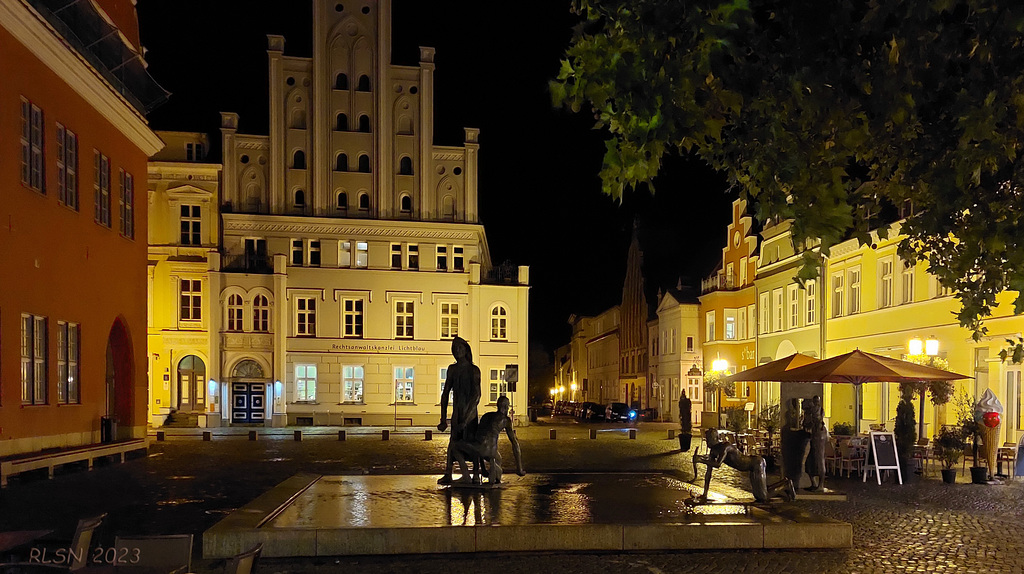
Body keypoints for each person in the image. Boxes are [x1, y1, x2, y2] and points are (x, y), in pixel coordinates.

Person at [693, 428, 795, 504]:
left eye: (709, 439)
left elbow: (717, 464)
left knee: (763, 497)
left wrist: (701, 460)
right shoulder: (714, 451)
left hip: (756, 463)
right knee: (759, 496)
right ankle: (784, 483)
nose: (707, 442)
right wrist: (705, 494)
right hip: (751, 467)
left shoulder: (725, 447)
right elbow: (708, 473)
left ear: (715, 438)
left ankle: (786, 485)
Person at [437, 336, 481, 484]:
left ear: (466, 350)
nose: (457, 351)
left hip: (470, 413)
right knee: (453, 443)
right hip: (457, 412)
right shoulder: (452, 369)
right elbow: (445, 393)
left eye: (460, 348)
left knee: (472, 442)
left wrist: (467, 417)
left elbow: (476, 395)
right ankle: (448, 473)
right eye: (455, 349)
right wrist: (443, 419)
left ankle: (475, 474)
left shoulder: (474, 370)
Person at [452, 395, 525, 484]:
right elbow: (514, 443)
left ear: (498, 405)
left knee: (455, 446)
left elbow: (478, 437)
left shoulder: (486, 416)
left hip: (480, 448)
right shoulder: (506, 420)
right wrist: (519, 468)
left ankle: (467, 475)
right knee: (497, 458)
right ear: (506, 407)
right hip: (492, 452)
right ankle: (494, 474)